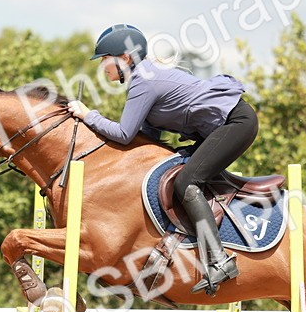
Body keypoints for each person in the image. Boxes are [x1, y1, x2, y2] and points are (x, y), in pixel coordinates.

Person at [67, 24, 258, 296]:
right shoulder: (143, 79)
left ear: (125, 58)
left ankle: (220, 260)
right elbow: (147, 136)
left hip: (236, 122)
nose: (103, 67)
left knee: (186, 183)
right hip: (222, 126)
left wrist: (88, 115)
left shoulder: (144, 82)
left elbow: (124, 134)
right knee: (179, 172)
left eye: (105, 60)